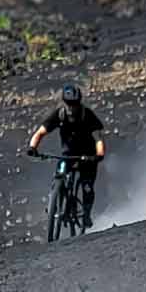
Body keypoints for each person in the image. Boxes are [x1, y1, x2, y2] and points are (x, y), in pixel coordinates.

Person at [27, 83, 107, 228]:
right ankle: (54, 203)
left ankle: (86, 214)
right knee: (59, 174)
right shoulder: (59, 114)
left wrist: (99, 154)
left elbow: (98, 138)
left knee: (87, 187)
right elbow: (40, 133)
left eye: (74, 104)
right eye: (69, 103)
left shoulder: (87, 116)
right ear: (64, 102)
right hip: (68, 154)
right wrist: (32, 147)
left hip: (87, 156)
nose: (71, 107)